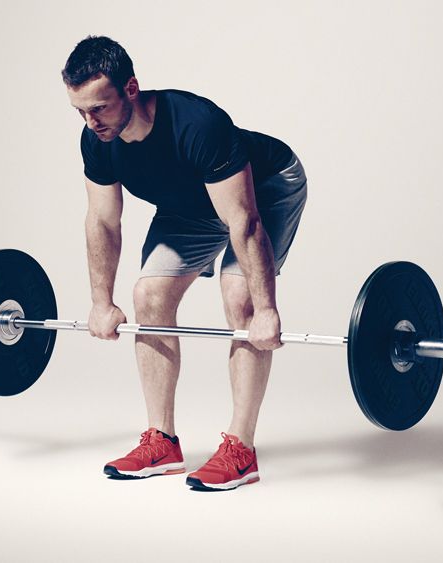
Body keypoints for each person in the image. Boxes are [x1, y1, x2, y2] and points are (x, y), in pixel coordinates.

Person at [62, 36, 307, 491]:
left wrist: (267, 309)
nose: (90, 121)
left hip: (264, 187)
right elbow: (103, 220)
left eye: (100, 107)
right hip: (190, 203)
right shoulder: (98, 140)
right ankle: (162, 442)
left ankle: (241, 450)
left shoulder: (197, 124)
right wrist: (101, 302)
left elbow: (245, 222)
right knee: (147, 296)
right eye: (80, 110)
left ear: (131, 88)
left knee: (242, 299)